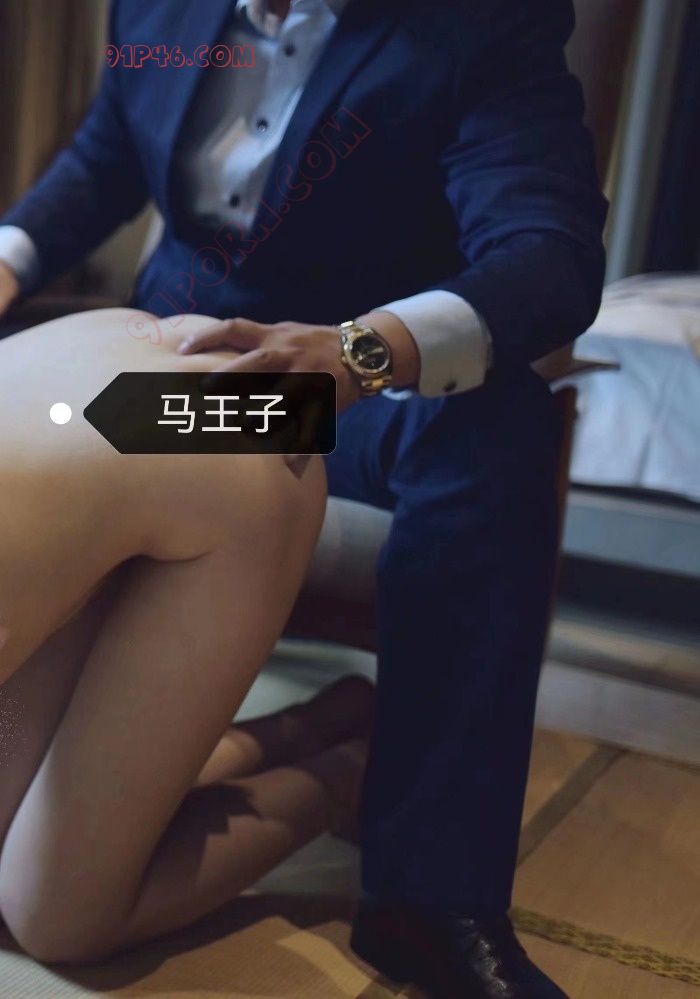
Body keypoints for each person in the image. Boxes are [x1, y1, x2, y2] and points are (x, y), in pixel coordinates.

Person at [0, 1, 608, 994]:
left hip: (341, 377)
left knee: (492, 434)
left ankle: (429, 896)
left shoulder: (476, 24)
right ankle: (306, 735)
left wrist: (362, 351)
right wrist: (8, 257)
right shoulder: (157, 8)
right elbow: (108, 152)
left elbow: (549, 251)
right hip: (170, 356)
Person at [0, 306, 377, 963]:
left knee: (54, 915)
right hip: (116, 367)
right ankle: (313, 722)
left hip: (240, 437)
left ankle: (361, 772)